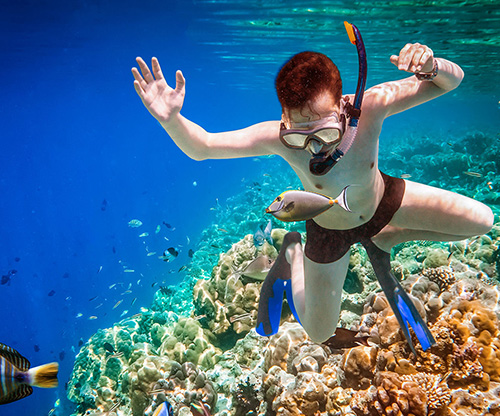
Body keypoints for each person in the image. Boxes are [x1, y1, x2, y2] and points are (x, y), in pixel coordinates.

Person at [131, 28, 493, 349]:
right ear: (284, 119)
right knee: (319, 333)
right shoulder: (275, 137)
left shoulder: (371, 106)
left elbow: (451, 82)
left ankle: (386, 236)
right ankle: (292, 253)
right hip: (327, 229)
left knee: (482, 221)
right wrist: (172, 120)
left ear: (342, 107)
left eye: (326, 133)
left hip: (384, 202)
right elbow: (203, 147)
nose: (316, 148)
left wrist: (432, 66)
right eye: (299, 135)